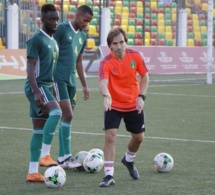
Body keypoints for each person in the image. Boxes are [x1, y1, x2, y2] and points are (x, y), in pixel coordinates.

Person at [98, 27, 149, 187]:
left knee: (139, 138)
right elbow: (103, 82)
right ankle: (108, 175)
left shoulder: (135, 56)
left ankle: (128, 159)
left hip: (133, 103)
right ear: (110, 46)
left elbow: (145, 76)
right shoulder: (105, 62)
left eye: (122, 42)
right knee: (110, 136)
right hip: (114, 104)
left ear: (126, 42)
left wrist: (141, 96)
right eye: (115, 43)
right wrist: (106, 96)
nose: (119, 46)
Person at [52, 5, 93, 169]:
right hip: (59, 78)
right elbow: (50, 53)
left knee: (67, 118)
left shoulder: (83, 35)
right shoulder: (61, 29)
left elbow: (78, 62)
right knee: (67, 115)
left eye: (89, 21)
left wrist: (84, 84)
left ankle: (63, 158)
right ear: (77, 15)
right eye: (85, 20)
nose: (86, 24)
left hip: (71, 80)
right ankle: (66, 157)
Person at [25, 4, 61, 182]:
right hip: (38, 86)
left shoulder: (53, 42)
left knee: (38, 130)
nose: (55, 22)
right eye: (51, 19)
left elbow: (51, 70)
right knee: (57, 113)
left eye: (56, 19)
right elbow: (30, 66)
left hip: (47, 87)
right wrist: (37, 91)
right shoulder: (37, 39)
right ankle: (45, 155)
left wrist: (53, 88)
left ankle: (32, 172)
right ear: (42, 20)